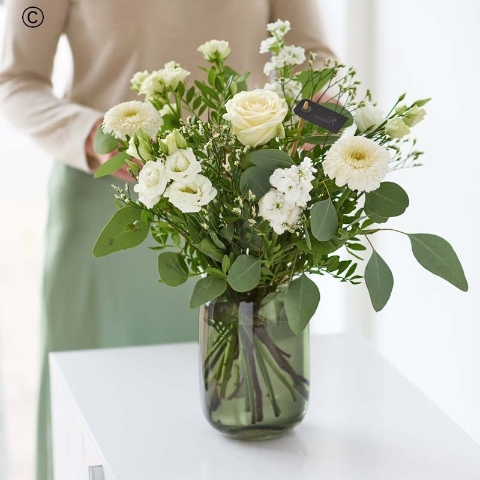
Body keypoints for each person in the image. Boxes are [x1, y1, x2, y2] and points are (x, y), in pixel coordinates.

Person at [0, 0, 336, 478]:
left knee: (242, 426)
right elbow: (15, 80)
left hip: (238, 211)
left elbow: (314, 64)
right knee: (99, 422)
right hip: (109, 208)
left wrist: (324, 128)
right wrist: (92, 136)